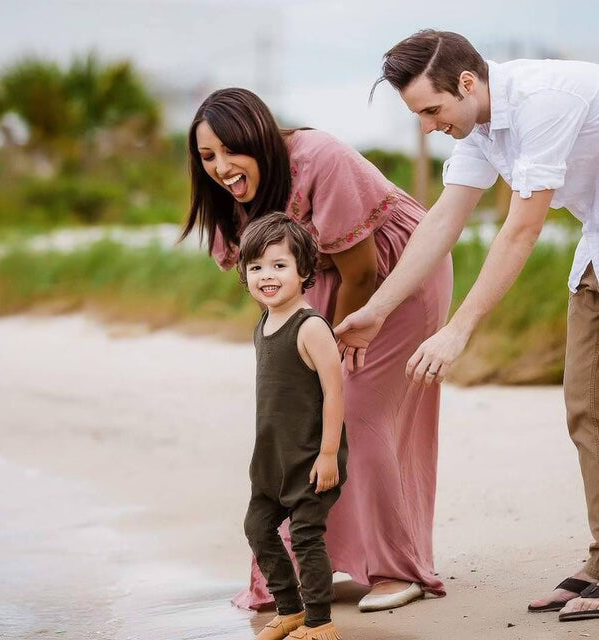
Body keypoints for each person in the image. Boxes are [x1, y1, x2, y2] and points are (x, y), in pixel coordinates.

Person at [335, 29, 599, 622]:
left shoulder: (544, 100)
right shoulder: (480, 126)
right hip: (596, 251)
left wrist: (457, 329)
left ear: (468, 83)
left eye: (432, 110)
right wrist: (376, 312)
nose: (428, 126)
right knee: (587, 410)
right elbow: (441, 222)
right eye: (418, 116)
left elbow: (521, 230)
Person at [181, 87, 452, 612]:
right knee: (307, 418)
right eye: (206, 156)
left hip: (395, 270)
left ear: (259, 136)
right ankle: (313, 562)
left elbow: (362, 270)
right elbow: (268, 281)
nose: (220, 167)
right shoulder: (234, 194)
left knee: (358, 411)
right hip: (325, 278)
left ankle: (398, 569)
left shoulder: (318, 158)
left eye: (230, 150)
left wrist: (321, 354)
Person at [237, 212, 346, 640]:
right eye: (256, 266)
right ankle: (290, 608)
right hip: (272, 456)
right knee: (257, 527)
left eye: (279, 265)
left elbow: (335, 393)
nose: (267, 275)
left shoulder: (311, 326)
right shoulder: (263, 324)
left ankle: (320, 621)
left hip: (311, 454)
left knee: (304, 535)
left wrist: (329, 453)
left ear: (304, 271)